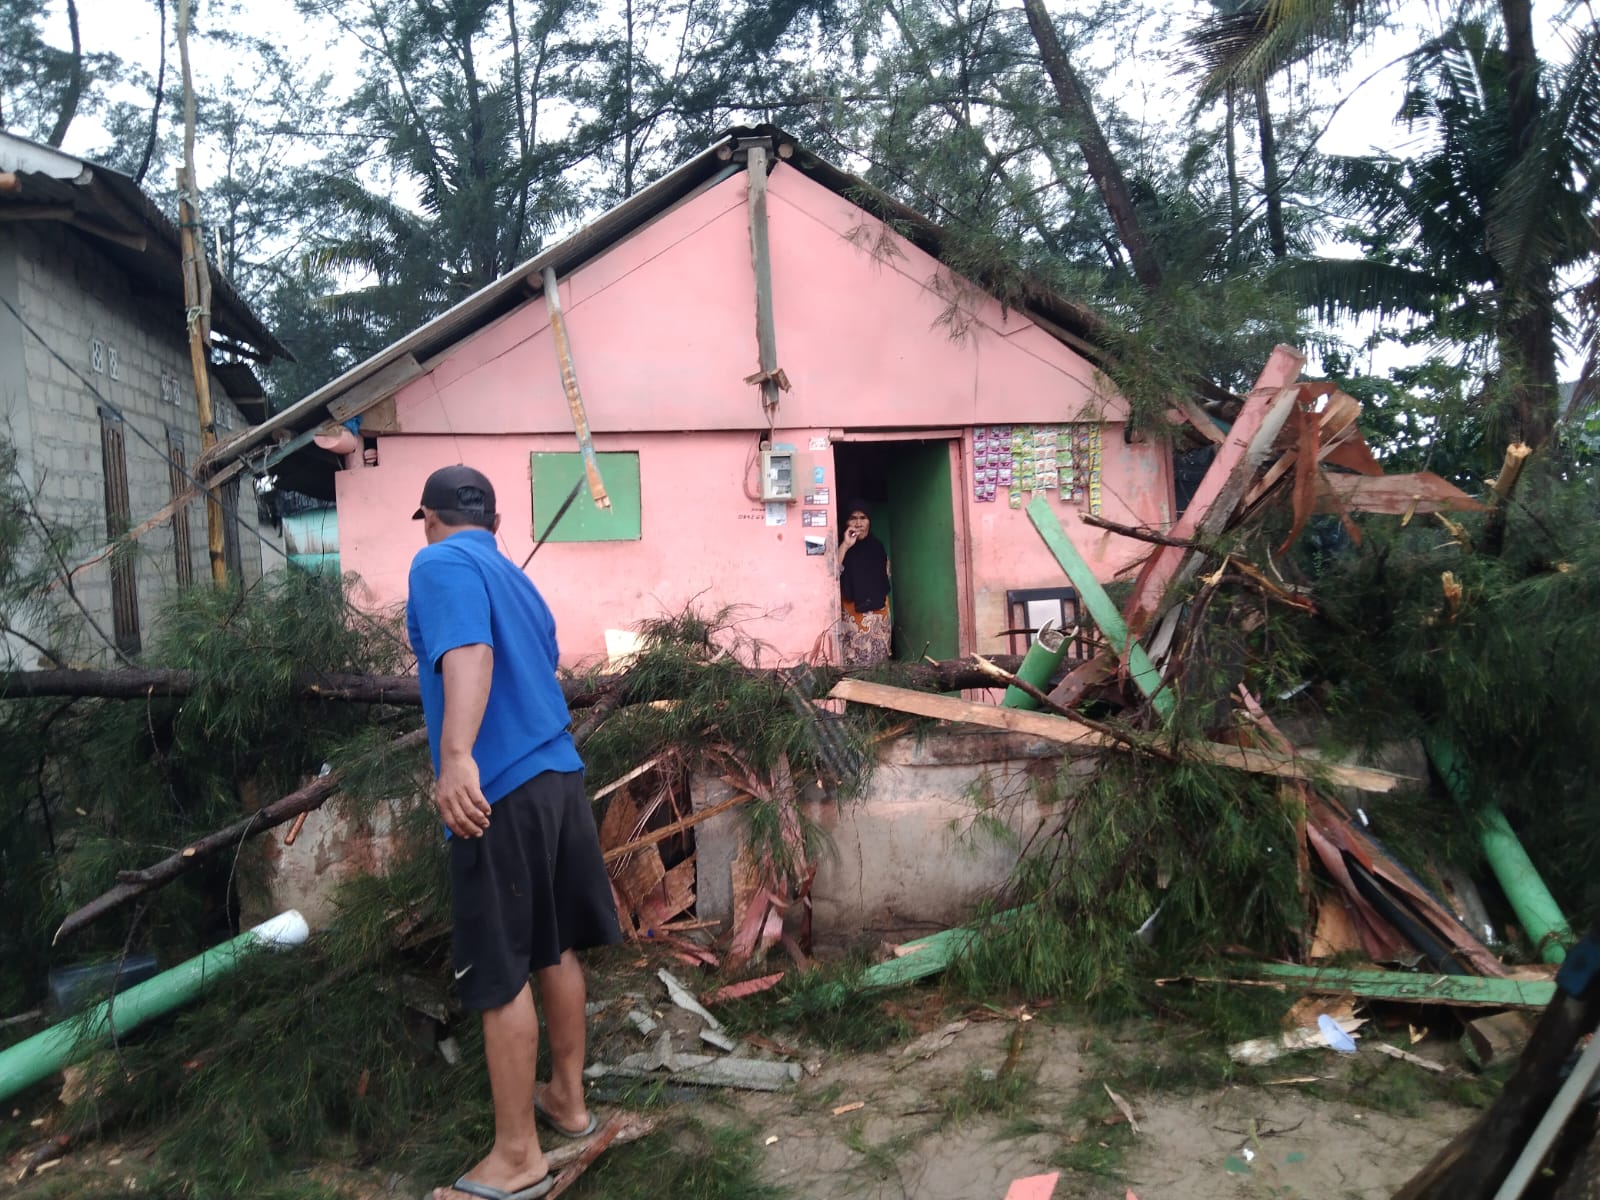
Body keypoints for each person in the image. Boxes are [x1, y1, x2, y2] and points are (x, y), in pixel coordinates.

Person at [406, 465, 622, 1200]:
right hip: (559, 776)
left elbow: (470, 654)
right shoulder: (514, 578)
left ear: (430, 517)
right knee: (551, 946)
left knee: (500, 969)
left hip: (499, 788)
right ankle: (567, 1100)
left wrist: (458, 756)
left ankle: (517, 1157)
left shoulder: (437, 561)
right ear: (493, 523)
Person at [838, 499, 891, 666]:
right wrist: (846, 545)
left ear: (869, 521)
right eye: (853, 518)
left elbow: (885, 576)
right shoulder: (843, 547)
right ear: (847, 522)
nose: (858, 522)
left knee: (878, 660)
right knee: (854, 661)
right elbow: (833, 572)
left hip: (878, 613)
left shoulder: (877, 546)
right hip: (852, 613)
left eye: (863, 517)